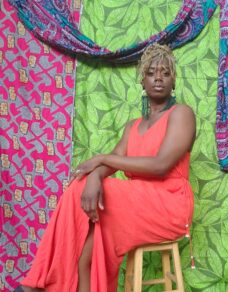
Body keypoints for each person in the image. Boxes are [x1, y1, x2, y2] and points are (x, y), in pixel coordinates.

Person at [19, 43, 196, 292]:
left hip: (169, 205)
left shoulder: (182, 114)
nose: (158, 78)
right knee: (85, 253)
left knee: (92, 196)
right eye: (151, 72)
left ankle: (37, 282)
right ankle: (44, 282)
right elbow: (114, 159)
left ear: (173, 81)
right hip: (133, 203)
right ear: (142, 81)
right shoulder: (132, 126)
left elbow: (160, 166)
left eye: (165, 73)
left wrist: (101, 160)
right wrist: (94, 176)